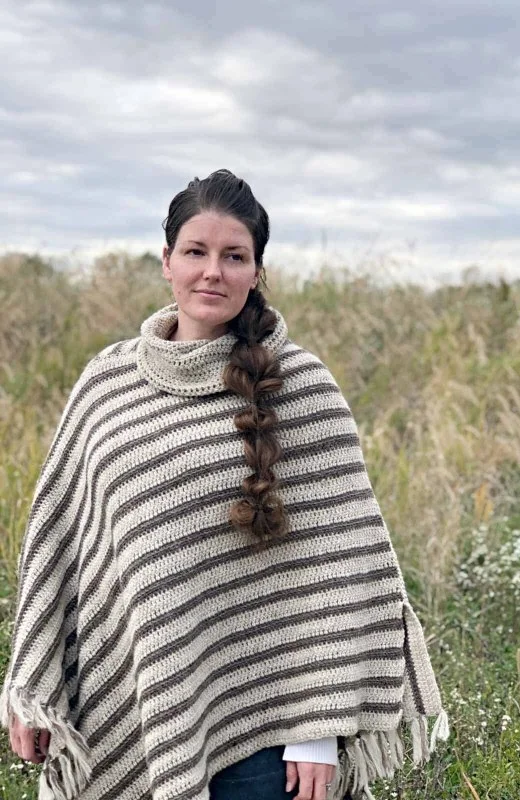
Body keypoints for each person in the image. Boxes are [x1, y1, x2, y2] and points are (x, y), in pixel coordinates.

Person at [1, 169, 448, 800]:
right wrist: (34, 686)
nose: (213, 271)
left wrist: (316, 730)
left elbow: (343, 565)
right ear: (166, 262)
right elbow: (57, 545)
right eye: (196, 252)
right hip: (134, 713)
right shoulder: (106, 383)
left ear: (256, 271)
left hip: (269, 738)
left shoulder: (302, 385)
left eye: (234, 256)